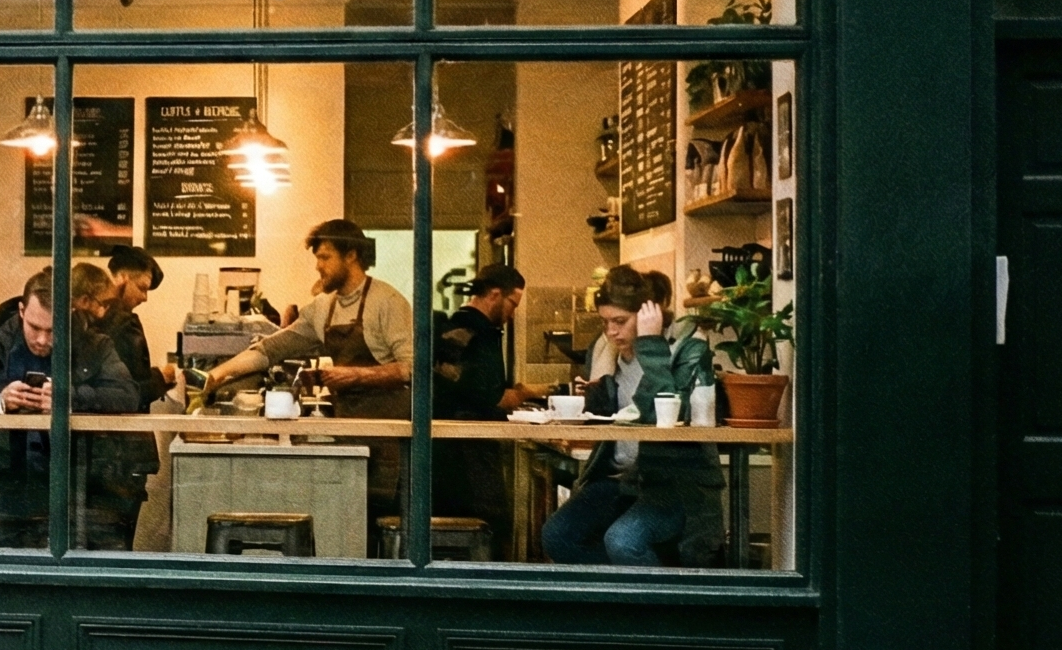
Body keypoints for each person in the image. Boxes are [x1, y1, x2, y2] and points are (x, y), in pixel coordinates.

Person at [204, 219, 417, 516]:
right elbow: (271, 349)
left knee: (383, 523)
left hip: (389, 438)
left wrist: (355, 374)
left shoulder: (388, 301)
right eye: (317, 257)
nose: (318, 266)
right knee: (349, 523)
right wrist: (218, 374)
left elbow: (411, 369)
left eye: (325, 257)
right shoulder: (322, 308)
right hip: (347, 434)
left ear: (352, 255)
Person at [540, 265, 724, 567]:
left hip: (676, 485)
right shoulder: (607, 356)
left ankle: (653, 608)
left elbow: (670, 413)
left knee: (623, 540)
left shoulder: (685, 349)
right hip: (622, 481)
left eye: (620, 321)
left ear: (647, 313)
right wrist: (592, 397)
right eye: (605, 322)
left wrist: (651, 345)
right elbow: (612, 419)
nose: (611, 331)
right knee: (557, 535)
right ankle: (618, 599)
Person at [0, 268, 140, 548]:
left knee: (89, 559)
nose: (42, 340)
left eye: (52, 330)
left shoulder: (95, 346)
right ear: (22, 311)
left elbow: (128, 395)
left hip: (76, 483)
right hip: (4, 479)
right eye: (35, 328)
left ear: (70, 314)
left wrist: (68, 398)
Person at [433, 263, 527, 555]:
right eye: (512, 304)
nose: (512, 315)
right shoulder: (479, 333)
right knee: (490, 524)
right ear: (495, 294)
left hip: (445, 448)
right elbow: (491, 397)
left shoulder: (453, 327)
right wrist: (519, 395)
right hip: (469, 449)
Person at [100, 245, 173, 403]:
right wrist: (162, 378)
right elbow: (128, 394)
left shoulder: (87, 317)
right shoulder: (124, 325)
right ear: (121, 278)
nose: (145, 297)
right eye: (142, 288)